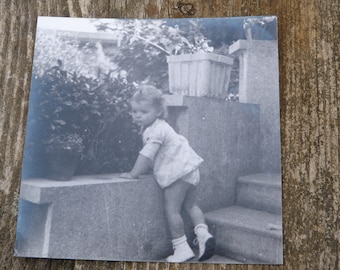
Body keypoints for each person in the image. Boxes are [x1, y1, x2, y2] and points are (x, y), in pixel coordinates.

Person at [120, 85, 215, 262]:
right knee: (191, 205)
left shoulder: (155, 130)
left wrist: (133, 174)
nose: (137, 115)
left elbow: (147, 155)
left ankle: (182, 248)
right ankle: (203, 234)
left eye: (143, 111)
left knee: (172, 210)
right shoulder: (161, 126)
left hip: (177, 173)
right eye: (134, 111)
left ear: (157, 111)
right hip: (191, 169)